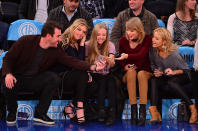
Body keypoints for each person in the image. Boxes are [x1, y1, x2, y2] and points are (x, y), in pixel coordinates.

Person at [1, 21, 105, 125]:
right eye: (58, 36)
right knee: (8, 81)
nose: (60, 39)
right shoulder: (26, 40)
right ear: (48, 36)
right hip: (18, 76)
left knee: (53, 78)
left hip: (35, 79)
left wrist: (93, 67)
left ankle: (40, 114)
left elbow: (72, 61)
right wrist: (8, 74)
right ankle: (12, 111)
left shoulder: (56, 49)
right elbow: (7, 59)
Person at [149, 27, 197, 124]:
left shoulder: (173, 54)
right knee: (153, 80)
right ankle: (155, 112)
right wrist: (157, 71)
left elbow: (187, 70)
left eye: (157, 39)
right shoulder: (153, 51)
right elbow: (153, 65)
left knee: (172, 82)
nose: (153, 40)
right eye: (153, 37)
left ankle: (192, 108)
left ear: (164, 42)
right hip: (166, 75)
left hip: (182, 74)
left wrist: (173, 72)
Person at [115, 17, 152, 126]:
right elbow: (120, 59)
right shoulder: (123, 40)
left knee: (140, 74)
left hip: (145, 71)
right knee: (131, 72)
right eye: (127, 30)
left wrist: (127, 56)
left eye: (132, 30)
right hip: (129, 72)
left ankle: (142, 112)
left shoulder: (147, 39)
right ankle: (133, 110)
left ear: (139, 30)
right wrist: (125, 66)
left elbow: (141, 56)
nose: (129, 33)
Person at [52, 18, 89, 124]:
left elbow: (81, 64)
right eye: (79, 29)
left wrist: (81, 44)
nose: (81, 33)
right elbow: (77, 64)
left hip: (75, 76)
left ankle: (70, 107)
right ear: (73, 28)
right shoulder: (64, 41)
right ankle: (80, 109)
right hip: (61, 78)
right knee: (83, 75)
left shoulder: (78, 43)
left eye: (84, 32)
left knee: (92, 84)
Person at [85, 23, 117, 126]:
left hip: (106, 73)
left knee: (111, 82)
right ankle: (101, 110)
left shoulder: (110, 45)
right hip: (94, 74)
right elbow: (84, 62)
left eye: (104, 35)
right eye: (99, 34)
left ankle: (112, 113)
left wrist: (109, 60)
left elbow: (112, 63)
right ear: (94, 35)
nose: (101, 37)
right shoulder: (88, 45)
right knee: (102, 80)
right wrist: (94, 63)